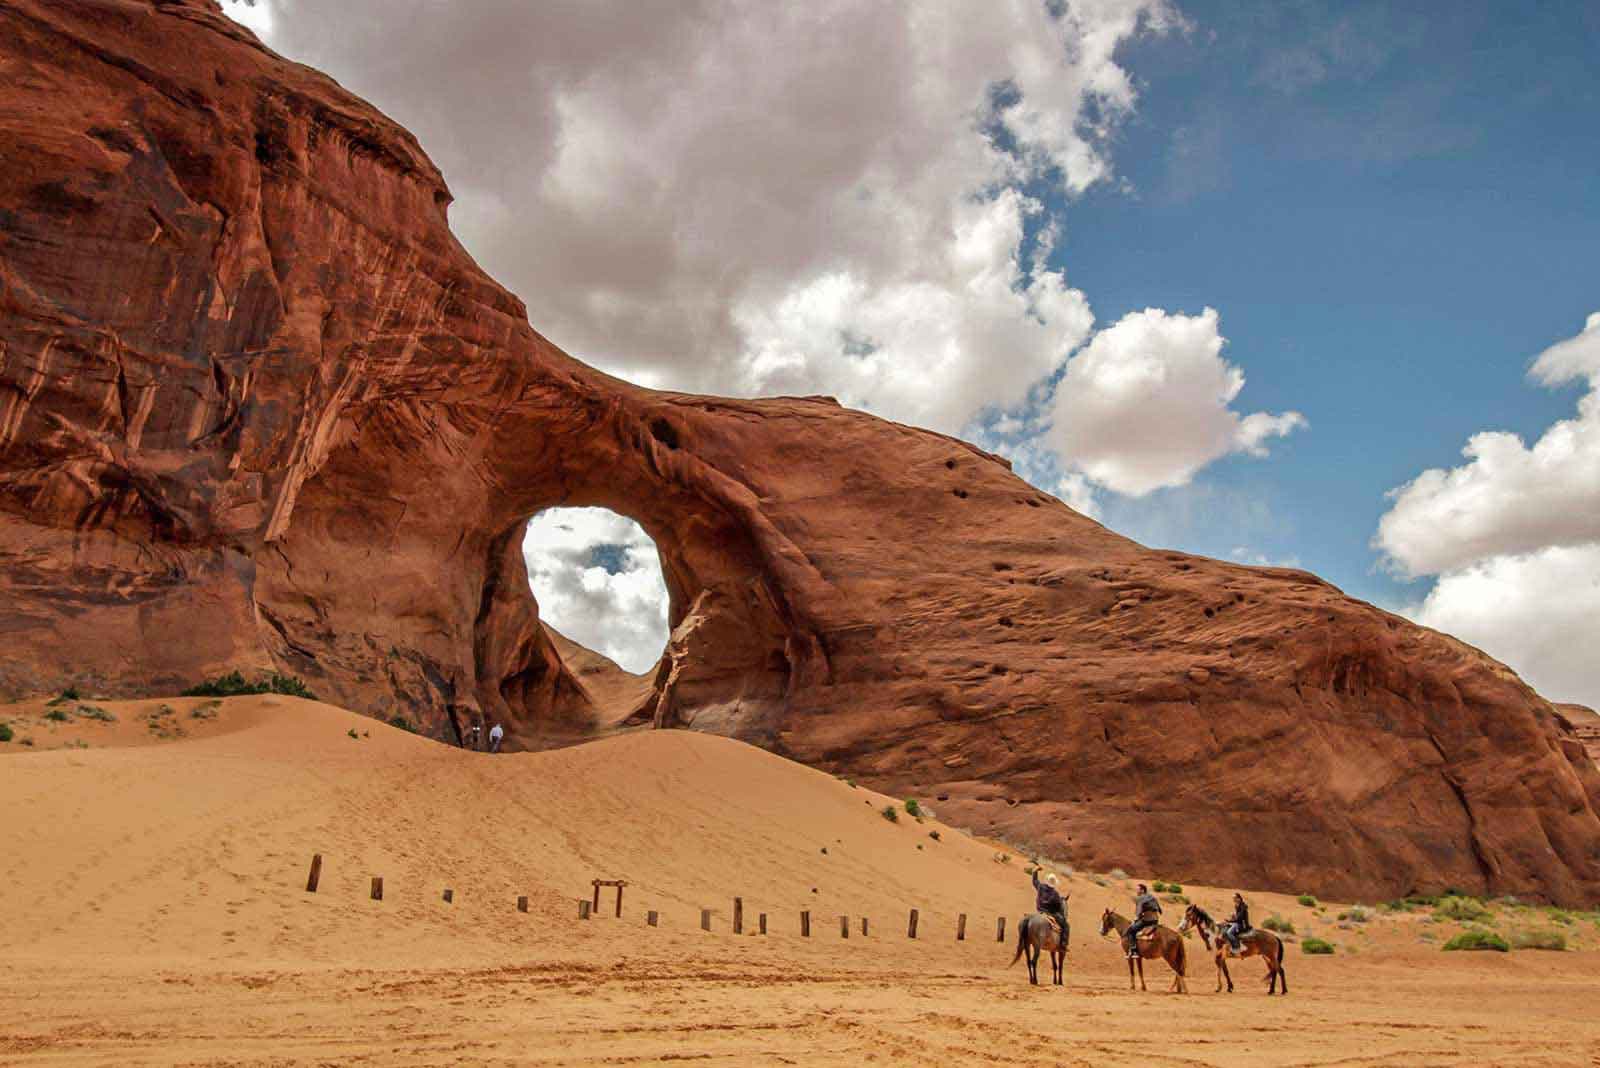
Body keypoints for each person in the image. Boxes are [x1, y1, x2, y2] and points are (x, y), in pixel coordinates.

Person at [1124, 883, 1162, 959]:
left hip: (1147, 921)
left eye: (1137, 889)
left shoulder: (1141, 898)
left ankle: (1134, 951)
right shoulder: (1151, 896)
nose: (1136, 891)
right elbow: (1159, 909)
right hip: (1155, 920)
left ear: (1142, 890)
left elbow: (1138, 912)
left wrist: (1136, 919)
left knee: (1131, 931)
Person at [1031, 868, 1069, 938]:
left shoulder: (1040, 887)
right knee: (1066, 925)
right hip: (1049, 913)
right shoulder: (1055, 894)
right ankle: (1063, 944)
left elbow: (1035, 881)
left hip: (1039, 911)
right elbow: (1058, 906)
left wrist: (1035, 871)